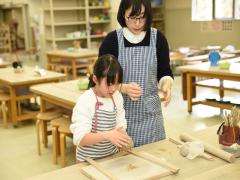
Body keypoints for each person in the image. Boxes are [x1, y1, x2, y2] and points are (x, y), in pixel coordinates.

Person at [99, 0, 173, 147]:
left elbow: (164, 71)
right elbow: (101, 80)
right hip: (120, 116)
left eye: (142, 17)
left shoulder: (158, 38)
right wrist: (123, 88)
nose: (138, 23)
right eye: (132, 18)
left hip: (151, 116)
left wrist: (166, 84)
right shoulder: (112, 40)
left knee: (154, 158)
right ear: (123, 16)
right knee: (124, 163)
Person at [70, 54, 131, 162]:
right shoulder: (86, 100)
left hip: (111, 157)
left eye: (117, 84)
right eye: (108, 84)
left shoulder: (117, 97)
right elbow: (80, 139)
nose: (113, 89)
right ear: (95, 79)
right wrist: (107, 135)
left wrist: (124, 140)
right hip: (87, 161)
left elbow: (120, 125)